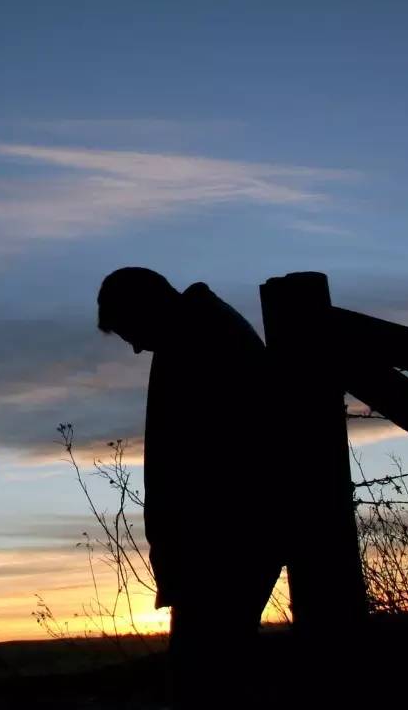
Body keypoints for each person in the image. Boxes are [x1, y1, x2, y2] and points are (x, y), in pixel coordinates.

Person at [96, 267, 287, 706]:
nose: (137, 346)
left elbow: (205, 464)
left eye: (131, 331)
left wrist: (184, 557)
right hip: (217, 550)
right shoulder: (196, 333)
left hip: (222, 548)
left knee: (205, 679)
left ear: (147, 306)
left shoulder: (200, 341)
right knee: (212, 674)